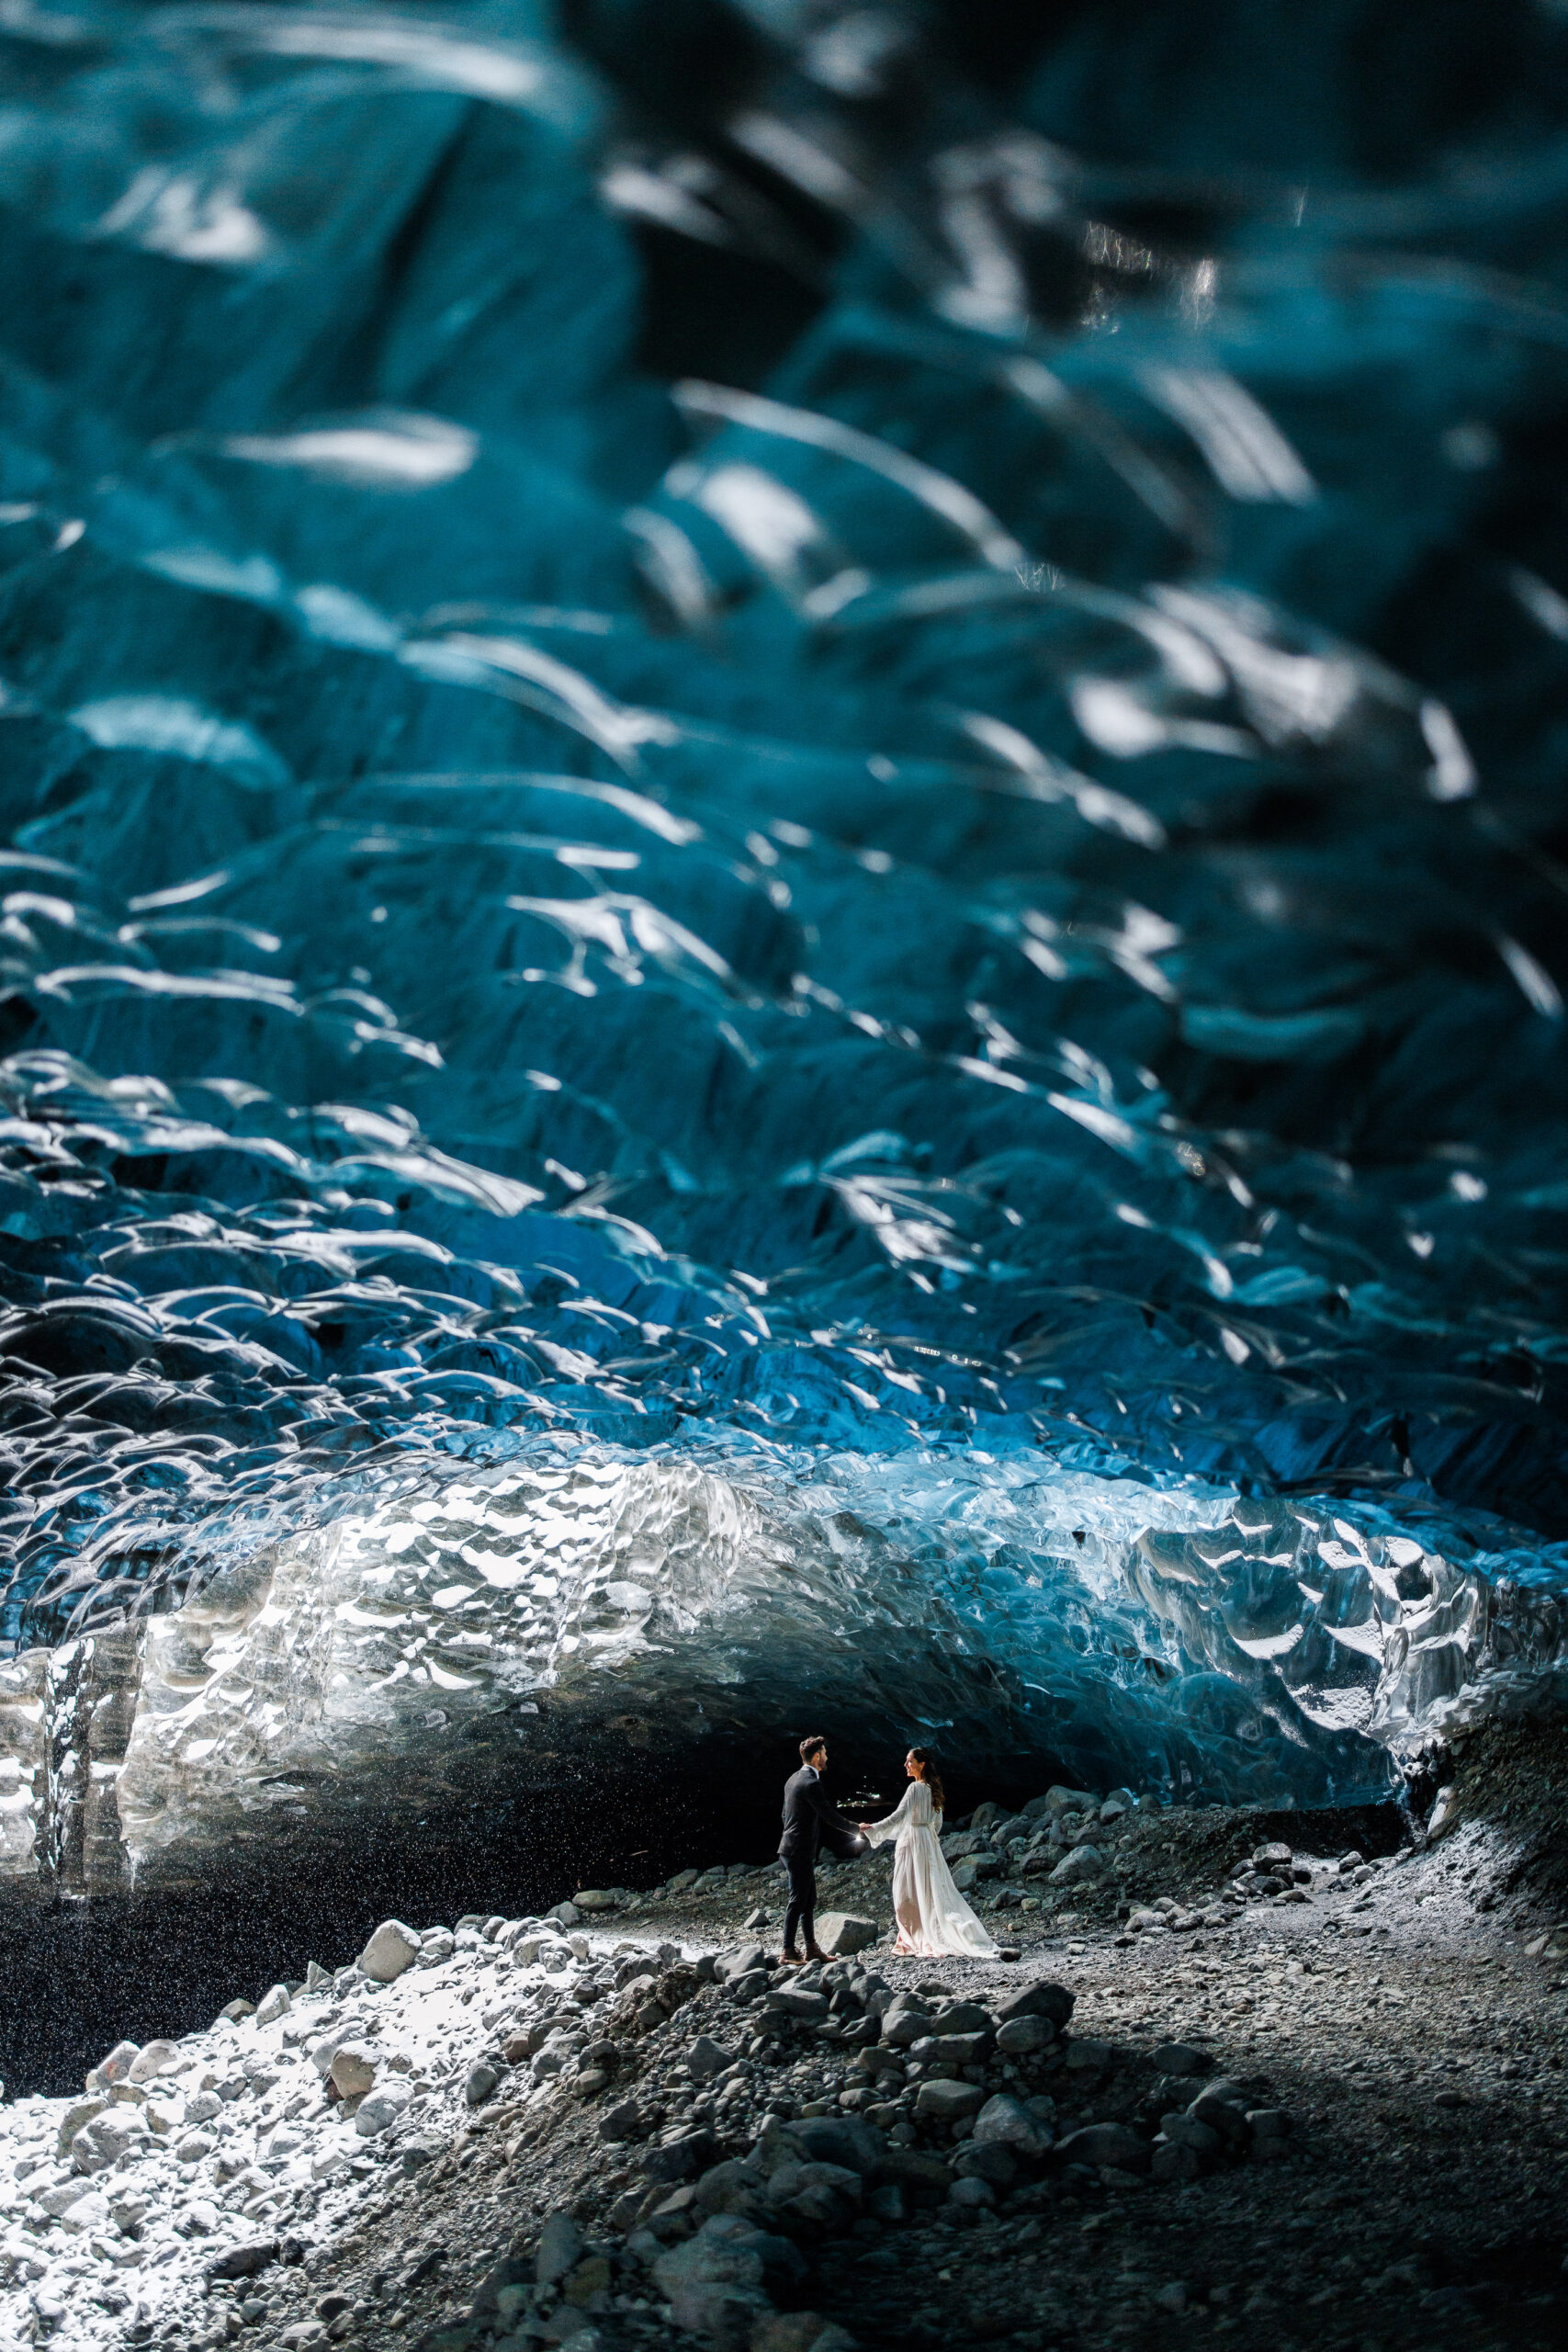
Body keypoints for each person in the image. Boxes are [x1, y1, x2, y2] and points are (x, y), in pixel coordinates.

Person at [859, 1747, 997, 1959]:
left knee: (906, 1891)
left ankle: (915, 1935)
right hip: (927, 1841)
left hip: (913, 1841)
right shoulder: (933, 1788)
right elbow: (938, 1822)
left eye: (909, 1761)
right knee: (929, 1890)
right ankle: (923, 1932)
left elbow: (899, 1816)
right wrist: (926, 1835)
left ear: (921, 1764)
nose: (905, 1765)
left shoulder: (915, 1789)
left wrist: (874, 1829)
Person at [778, 1734, 865, 1965]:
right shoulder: (812, 1784)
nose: (827, 1757)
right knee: (798, 1900)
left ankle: (811, 1949)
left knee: (808, 1899)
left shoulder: (792, 1779)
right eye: (825, 1754)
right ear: (817, 1757)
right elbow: (828, 1815)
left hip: (790, 1848)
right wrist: (856, 1828)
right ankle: (787, 1951)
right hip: (799, 1850)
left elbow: (785, 1815)